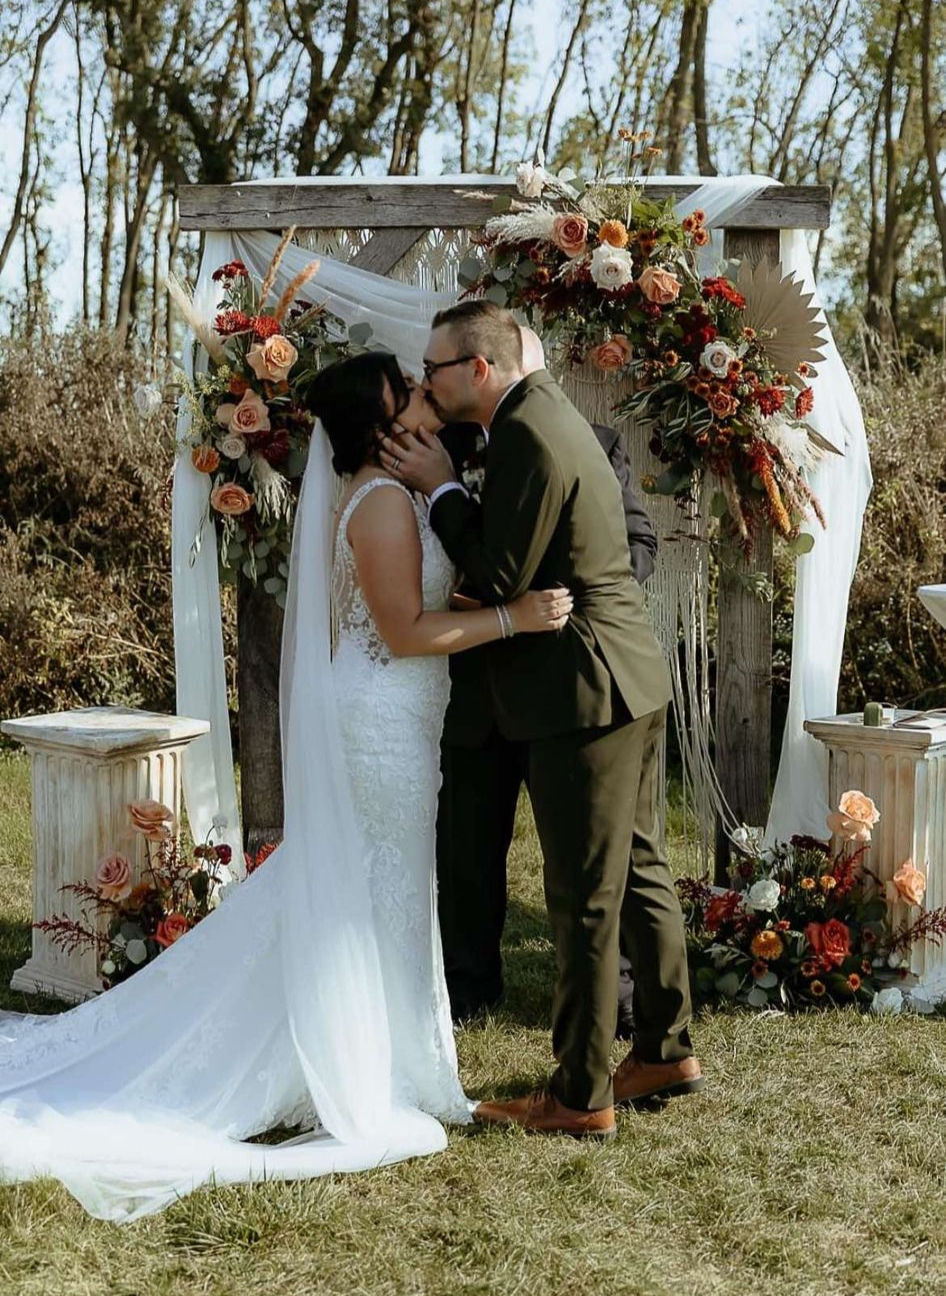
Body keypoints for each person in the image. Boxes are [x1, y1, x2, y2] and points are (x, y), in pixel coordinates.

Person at [0, 350, 572, 1220]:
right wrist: (514, 619)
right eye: (413, 393)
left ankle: (388, 1053)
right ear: (382, 426)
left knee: (384, 888)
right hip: (378, 720)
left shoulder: (406, 493)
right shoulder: (379, 506)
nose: (430, 397)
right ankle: (354, 1062)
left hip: (403, 719)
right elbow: (408, 631)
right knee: (369, 888)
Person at [381, 301, 701, 1141]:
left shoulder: (523, 431)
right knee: (637, 870)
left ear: (478, 370)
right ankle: (666, 1047)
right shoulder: (548, 411)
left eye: (435, 368)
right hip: (628, 673)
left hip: (580, 689)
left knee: (584, 897)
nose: (427, 382)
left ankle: (579, 1092)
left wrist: (441, 491)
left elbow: (494, 574)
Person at [432, 327, 658, 1037]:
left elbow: (635, 547)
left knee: (592, 861)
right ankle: (466, 989)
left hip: (562, 682)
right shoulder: (440, 450)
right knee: (466, 846)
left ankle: (617, 1003)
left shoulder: (589, 440)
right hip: (472, 682)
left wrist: (550, 591)